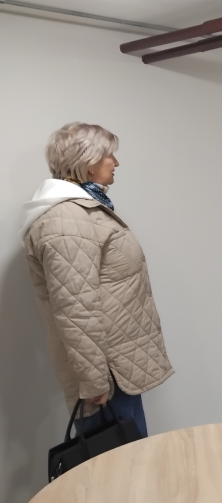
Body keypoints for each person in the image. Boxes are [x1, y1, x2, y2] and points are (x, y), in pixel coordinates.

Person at [21, 123, 173, 438]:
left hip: (117, 365)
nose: (116, 163)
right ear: (88, 162)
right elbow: (74, 308)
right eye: (109, 155)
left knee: (134, 455)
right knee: (122, 461)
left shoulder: (84, 211)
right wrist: (94, 381)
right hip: (108, 375)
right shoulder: (67, 222)